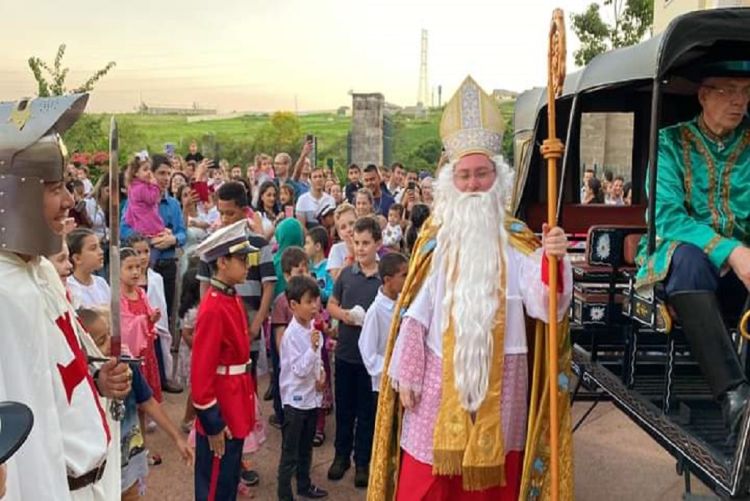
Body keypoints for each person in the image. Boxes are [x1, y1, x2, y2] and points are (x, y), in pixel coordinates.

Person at [369, 76, 574, 500]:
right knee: (426, 484)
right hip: (439, 379)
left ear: (497, 179)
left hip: (506, 380)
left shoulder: (519, 241)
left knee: (492, 487)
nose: (474, 184)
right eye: (464, 175)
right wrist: (407, 369)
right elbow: (416, 308)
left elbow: (544, 307)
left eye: (482, 174)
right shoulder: (436, 237)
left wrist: (554, 260)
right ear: (451, 181)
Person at [0, 93, 130, 500]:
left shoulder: (39, 270)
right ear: (14, 195)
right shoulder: (4, 294)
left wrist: (96, 377)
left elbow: (54, 371)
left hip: (92, 481)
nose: (70, 201)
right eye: (55, 188)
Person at [634, 61, 750, 432]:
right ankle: (734, 395)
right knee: (689, 258)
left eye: (746, 92)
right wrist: (729, 250)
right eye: (728, 90)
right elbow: (666, 217)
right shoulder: (670, 143)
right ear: (703, 95)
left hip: (743, 277)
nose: (739, 101)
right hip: (684, 272)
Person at [77, 307, 194, 500]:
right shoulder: (81, 380)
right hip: (100, 471)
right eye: (101, 341)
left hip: (129, 463)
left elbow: (148, 402)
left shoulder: (126, 366)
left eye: (109, 335)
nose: (110, 344)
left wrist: (177, 438)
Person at [191, 220, 257, 501]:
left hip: (236, 398)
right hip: (223, 405)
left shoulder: (230, 297)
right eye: (241, 259)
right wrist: (213, 422)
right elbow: (201, 373)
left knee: (227, 482)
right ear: (221, 263)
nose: (247, 265)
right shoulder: (215, 306)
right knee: (215, 487)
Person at [327, 216, 384, 488]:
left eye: (365, 243)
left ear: (378, 244)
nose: (360, 248)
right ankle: (341, 456)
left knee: (367, 411)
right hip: (347, 353)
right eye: (356, 243)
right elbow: (331, 304)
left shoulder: (385, 278)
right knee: (344, 409)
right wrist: (345, 316)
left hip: (371, 360)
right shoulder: (347, 274)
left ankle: (363, 461)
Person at [277, 275, 330, 501]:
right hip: (295, 402)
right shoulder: (291, 335)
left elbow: (316, 362)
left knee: (306, 447)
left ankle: (304, 484)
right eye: (309, 302)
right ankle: (284, 494)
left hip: (311, 398)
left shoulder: (311, 328)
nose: (314, 306)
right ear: (293, 305)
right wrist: (312, 348)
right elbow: (298, 369)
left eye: (316, 301)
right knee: (290, 452)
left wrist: (322, 376)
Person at [121, 154, 187, 334]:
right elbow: (124, 230)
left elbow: (182, 232)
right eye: (161, 173)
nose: (166, 178)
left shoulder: (173, 204)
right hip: (141, 268)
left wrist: (172, 239)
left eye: (169, 173)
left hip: (167, 265)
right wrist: (149, 240)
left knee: (163, 314)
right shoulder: (135, 200)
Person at [270, 246, 311, 429]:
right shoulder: (282, 301)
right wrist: (285, 358)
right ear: (287, 276)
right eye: (299, 271)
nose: (305, 275)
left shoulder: (309, 298)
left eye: (306, 270)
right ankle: (282, 416)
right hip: (289, 358)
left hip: (307, 354)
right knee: (284, 385)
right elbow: (279, 333)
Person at [358, 252, 408, 392]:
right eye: (404, 276)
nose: (408, 279)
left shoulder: (403, 303)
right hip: (384, 385)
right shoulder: (375, 312)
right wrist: (393, 369)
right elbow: (368, 353)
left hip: (402, 382)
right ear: (387, 280)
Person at [124, 156, 166, 240]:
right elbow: (152, 199)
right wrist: (155, 185)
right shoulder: (141, 188)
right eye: (145, 169)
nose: (149, 172)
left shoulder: (133, 186)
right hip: (147, 225)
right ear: (136, 173)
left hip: (139, 225)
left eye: (150, 169)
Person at [66, 228, 110, 308]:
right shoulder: (69, 287)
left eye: (99, 247)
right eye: (93, 248)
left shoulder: (101, 283)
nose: (101, 252)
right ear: (77, 258)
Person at [296, 165, 336, 230]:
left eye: (320, 176)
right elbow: (301, 226)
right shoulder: (302, 200)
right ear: (310, 180)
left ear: (324, 179)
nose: (318, 179)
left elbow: (332, 225)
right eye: (315, 177)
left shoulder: (331, 200)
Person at [326, 203, 357, 281]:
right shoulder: (336, 249)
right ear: (339, 234)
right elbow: (336, 280)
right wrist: (351, 255)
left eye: (352, 223)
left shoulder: (368, 245)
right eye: (343, 227)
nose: (349, 229)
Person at [305, 226, 334, 304]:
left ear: (317, 246)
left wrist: (314, 287)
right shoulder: (306, 267)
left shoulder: (329, 268)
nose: (304, 247)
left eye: (307, 243)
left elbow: (331, 294)